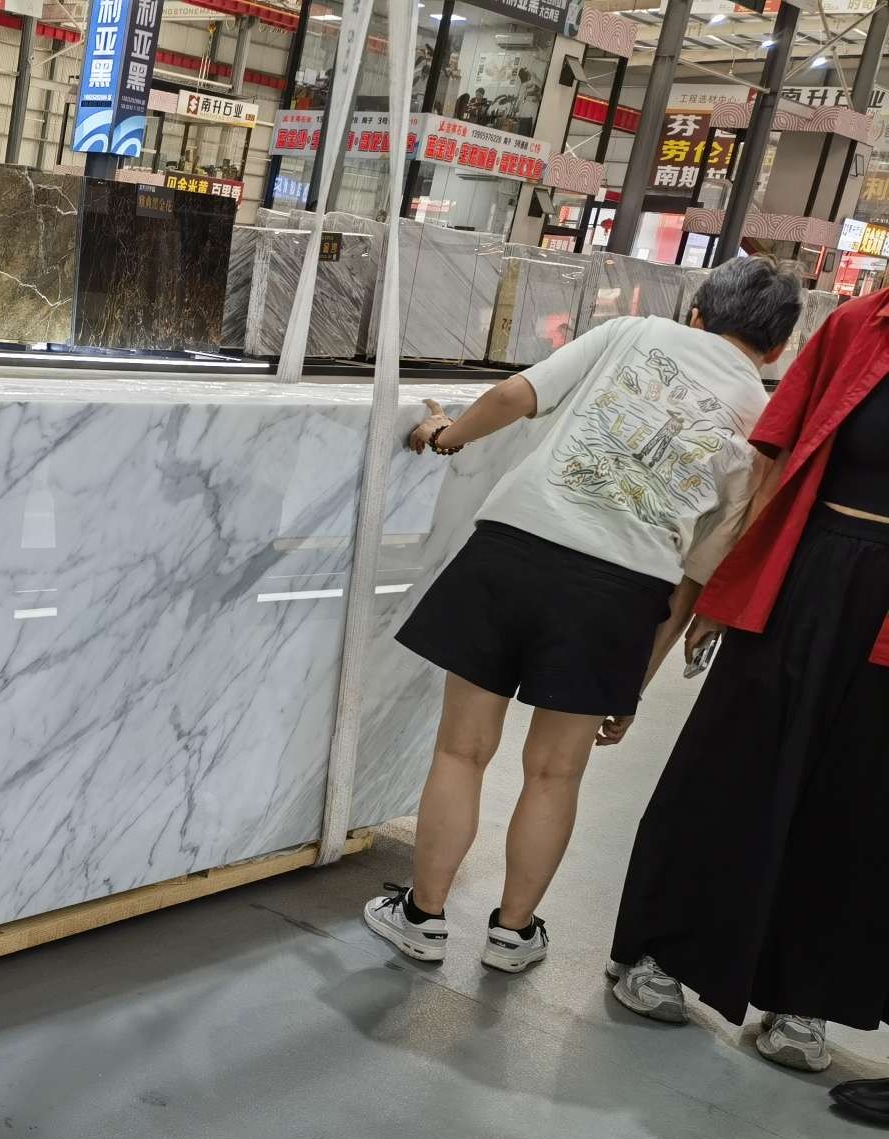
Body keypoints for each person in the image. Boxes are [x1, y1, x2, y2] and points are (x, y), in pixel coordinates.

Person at [363, 256, 802, 974]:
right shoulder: (764, 423)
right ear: (779, 348)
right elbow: (695, 578)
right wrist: (635, 684)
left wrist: (447, 435)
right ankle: (513, 934)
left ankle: (423, 917)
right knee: (555, 774)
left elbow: (515, 394)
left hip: (517, 547)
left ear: (696, 312)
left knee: (462, 751)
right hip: (622, 591)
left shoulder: (634, 332)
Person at [610, 282, 889, 1089]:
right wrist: (727, 583)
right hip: (805, 570)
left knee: (857, 801)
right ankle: (664, 950)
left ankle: (805, 999)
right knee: (733, 761)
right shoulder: (857, 325)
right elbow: (773, 458)